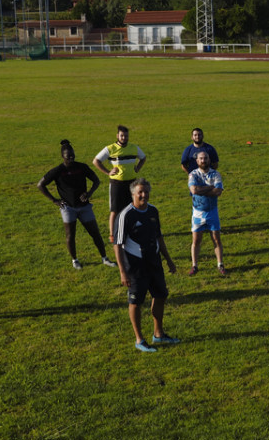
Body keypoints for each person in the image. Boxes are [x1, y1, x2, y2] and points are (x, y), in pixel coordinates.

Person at [113, 178, 179, 352]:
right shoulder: (125, 215)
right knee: (136, 301)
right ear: (133, 194)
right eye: (140, 192)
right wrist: (122, 272)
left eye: (146, 191)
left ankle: (158, 334)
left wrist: (169, 260)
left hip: (154, 261)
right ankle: (139, 339)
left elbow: (159, 237)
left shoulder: (153, 211)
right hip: (135, 265)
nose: (144, 195)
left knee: (161, 295)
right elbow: (117, 245)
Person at [37, 139, 117, 270]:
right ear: (63, 156)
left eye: (73, 155)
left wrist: (89, 193)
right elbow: (40, 185)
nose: (71, 158)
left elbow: (96, 181)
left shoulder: (82, 167)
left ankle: (105, 258)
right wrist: (55, 200)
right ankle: (75, 260)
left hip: (84, 207)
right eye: (68, 156)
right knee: (70, 235)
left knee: (95, 233)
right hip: (68, 208)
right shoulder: (58, 171)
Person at [93, 125, 146, 243]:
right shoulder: (110, 149)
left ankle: (132, 230)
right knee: (115, 210)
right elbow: (96, 161)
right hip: (117, 184)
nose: (124, 138)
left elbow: (143, 157)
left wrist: (137, 168)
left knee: (133, 208)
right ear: (117, 136)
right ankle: (112, 234)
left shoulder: (134, 148)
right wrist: (108, 172)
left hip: (132, 183)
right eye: (122, 135)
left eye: (126, 136)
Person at [188, 151, 226, 275]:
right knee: (196, 240)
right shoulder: (193, 174)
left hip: (212, 212)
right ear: (197, 161)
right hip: (198, 213)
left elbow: (218, 191)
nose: (203, 160)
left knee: (216, 239)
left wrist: (201, 190)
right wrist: (210, 187)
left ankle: (220, 264)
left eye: (205, 158)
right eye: (201, 159)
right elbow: (194, 190)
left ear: (209, 160)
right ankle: (194, 265)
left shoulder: (215, 174)